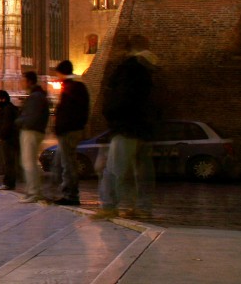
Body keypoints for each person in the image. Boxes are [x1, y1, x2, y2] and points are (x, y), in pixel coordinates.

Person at [97, 34, 159, 219]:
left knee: (114, 169)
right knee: (142, 173)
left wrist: (111, 114)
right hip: (145, 128)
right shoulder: (152, 69)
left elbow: (120, 98)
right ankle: (142, 208)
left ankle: (108, 206)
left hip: (126, 126)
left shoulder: (128, 69)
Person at [50, 60, 90, 206]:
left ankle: (71, 195)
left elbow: (66, 112)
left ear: (61, 72)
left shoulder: (71, 88)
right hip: (73, 129)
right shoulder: (78, 86)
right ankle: (64, 191)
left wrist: (60, 127)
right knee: (64, 163)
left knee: (68, 164)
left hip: (68, 131)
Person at [15, 71, 50, 204]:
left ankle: (34, 192)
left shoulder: (35, 97)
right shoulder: (37, 96)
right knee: (29, 162)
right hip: (33, 130)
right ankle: (32, 191)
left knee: (29, 163)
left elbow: (31, 117)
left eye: (23, 80)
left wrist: (19, 121)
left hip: (31, 131)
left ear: (29, 81)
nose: (21, 83)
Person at [0, 89, 20, 190]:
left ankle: (9, 183)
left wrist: (1, 136)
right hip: (10, 138)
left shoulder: (7, 109)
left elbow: (6, 125)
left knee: (8, 162)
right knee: (9, 162)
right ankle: (9, 182)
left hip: (8, 139)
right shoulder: (8, 108)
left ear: (3, 99)